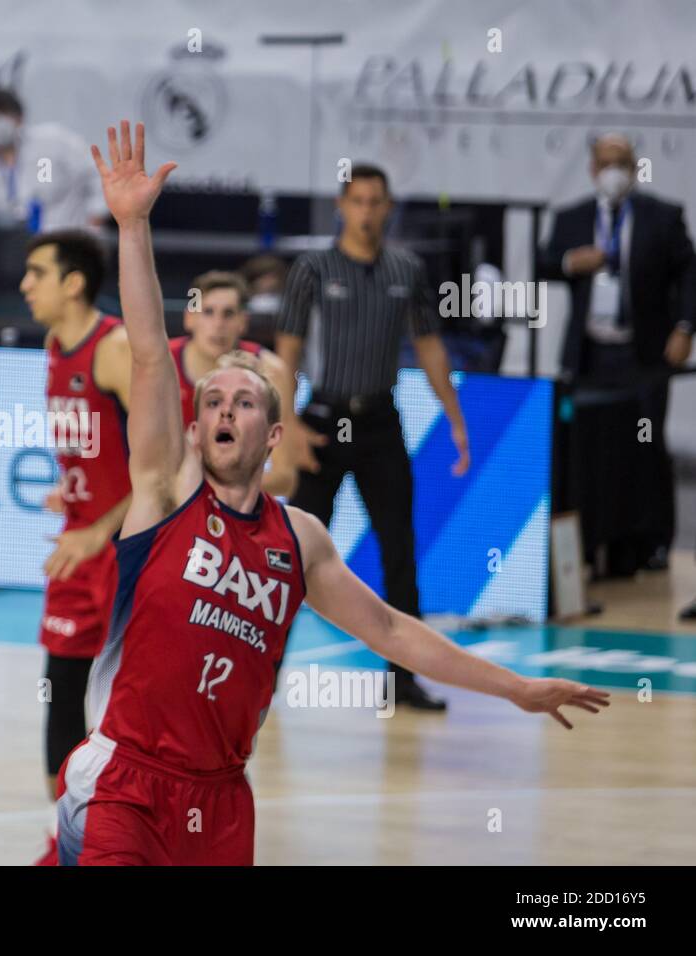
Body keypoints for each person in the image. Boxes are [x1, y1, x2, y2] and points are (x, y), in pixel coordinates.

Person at [54, 120, 610, 867]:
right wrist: (132, 227)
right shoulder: (161, 494)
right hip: (125, 781)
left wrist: (514, 688)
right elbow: (152, 354)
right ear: (191, 428)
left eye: (244, 403)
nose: (223, 410)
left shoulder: (299, 539)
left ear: (274, 434)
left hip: (222, 799)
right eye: (212, 400)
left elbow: (391, 629)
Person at [275, 163, 470, 711]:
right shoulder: (312, 268)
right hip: (321, 420)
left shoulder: (406, 268)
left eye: (375, 201)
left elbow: (430, 347)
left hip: (381, 419)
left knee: (399, 550)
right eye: (356, 200)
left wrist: (453, 418)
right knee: (289, 555)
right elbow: (286, 352)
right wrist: (287, 424)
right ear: (342, 205)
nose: (365, 211)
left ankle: (403, 679)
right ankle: (260, 673)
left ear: (387, 207)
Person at [537, 132, 695, 575]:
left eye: (621, 161)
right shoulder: (573, 218)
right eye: (605, 162)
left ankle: (652, 542)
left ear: (634, 166)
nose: (613, 171)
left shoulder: (662, 217)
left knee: (645, 443)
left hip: (643, 356)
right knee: (590, 450)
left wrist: (685, 327)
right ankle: (593, 542)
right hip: (590, 356)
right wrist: (572, 263)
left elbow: (689, 273)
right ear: (592, 169)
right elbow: (544, 261)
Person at [21, 230, 132, 814]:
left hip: (127, 551)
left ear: (75, 283)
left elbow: (164, 463)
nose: (25, 284)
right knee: (61, 687)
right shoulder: (55, 344)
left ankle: (126, 828)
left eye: (38, 272)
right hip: (80, 545)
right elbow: (101, 448)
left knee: (124, 704)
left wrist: (103, 527)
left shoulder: (112, 348)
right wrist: (72, 491)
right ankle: (65, 828)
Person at [171, 269, 295, 496]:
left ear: (243, 322)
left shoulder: (271, 372)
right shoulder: (161, 367)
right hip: (172, 505)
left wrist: (207, 486)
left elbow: (285, 478)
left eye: (228, 314)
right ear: (189, 318)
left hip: (234, 507)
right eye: (208, 312)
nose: (218, 324)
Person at [0, 87, 102, 231]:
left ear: (19, 117)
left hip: (68, 241)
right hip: (12, 247)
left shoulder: (56, 142)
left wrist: (96, 220)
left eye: (3, 114)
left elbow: (96, 177)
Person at [238, 254, 289, 349]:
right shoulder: (241, 304)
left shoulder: (288, 305)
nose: (269, 282)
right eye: (264, 278)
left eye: (273, 277)